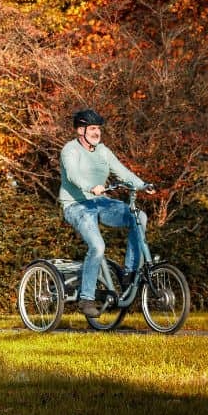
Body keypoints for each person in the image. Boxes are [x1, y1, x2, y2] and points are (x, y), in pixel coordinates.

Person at [59, 109, 153, 318]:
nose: (97, 132)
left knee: (139, 217)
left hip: (100, 202)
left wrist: (142, 185)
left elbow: (122, 170)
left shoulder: (102, 151)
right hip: (76, 206)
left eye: (98, 129)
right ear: (80, 130)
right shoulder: (70, 150)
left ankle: (129, 272)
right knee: (98, 246)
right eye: (92, 128)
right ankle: (86, 298)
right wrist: (91, 186)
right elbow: (73, 174)